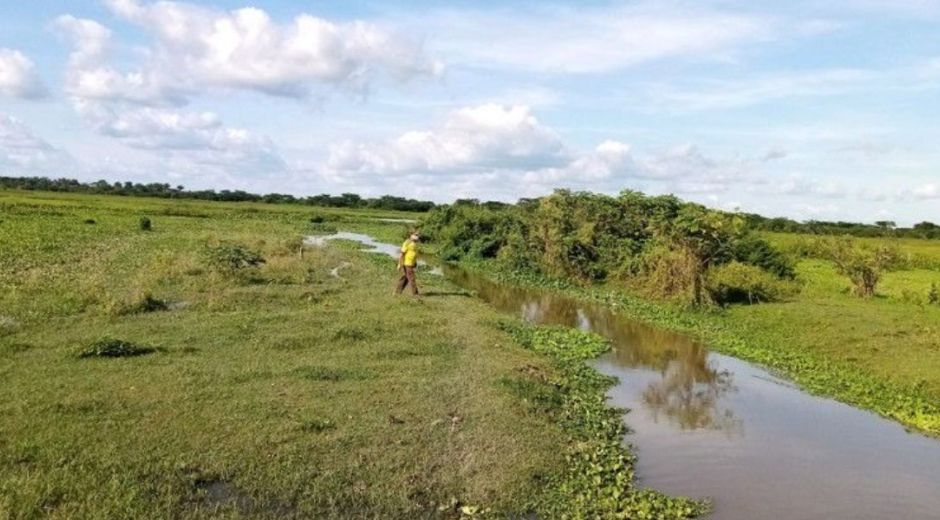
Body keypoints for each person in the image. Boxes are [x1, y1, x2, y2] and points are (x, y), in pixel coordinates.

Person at [395, 231, 420, 296]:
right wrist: (399, 264)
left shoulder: (415, 243)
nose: (417, 236)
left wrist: (415, 263)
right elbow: (402, 254)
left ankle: (397, 292)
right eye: (416, 235)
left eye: (418, 235)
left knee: (406, 278)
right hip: (407, 263)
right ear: (411, 235)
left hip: (412, 263)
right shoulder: (407, 242)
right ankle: (415, 294)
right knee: (412, 278)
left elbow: (414, 254)